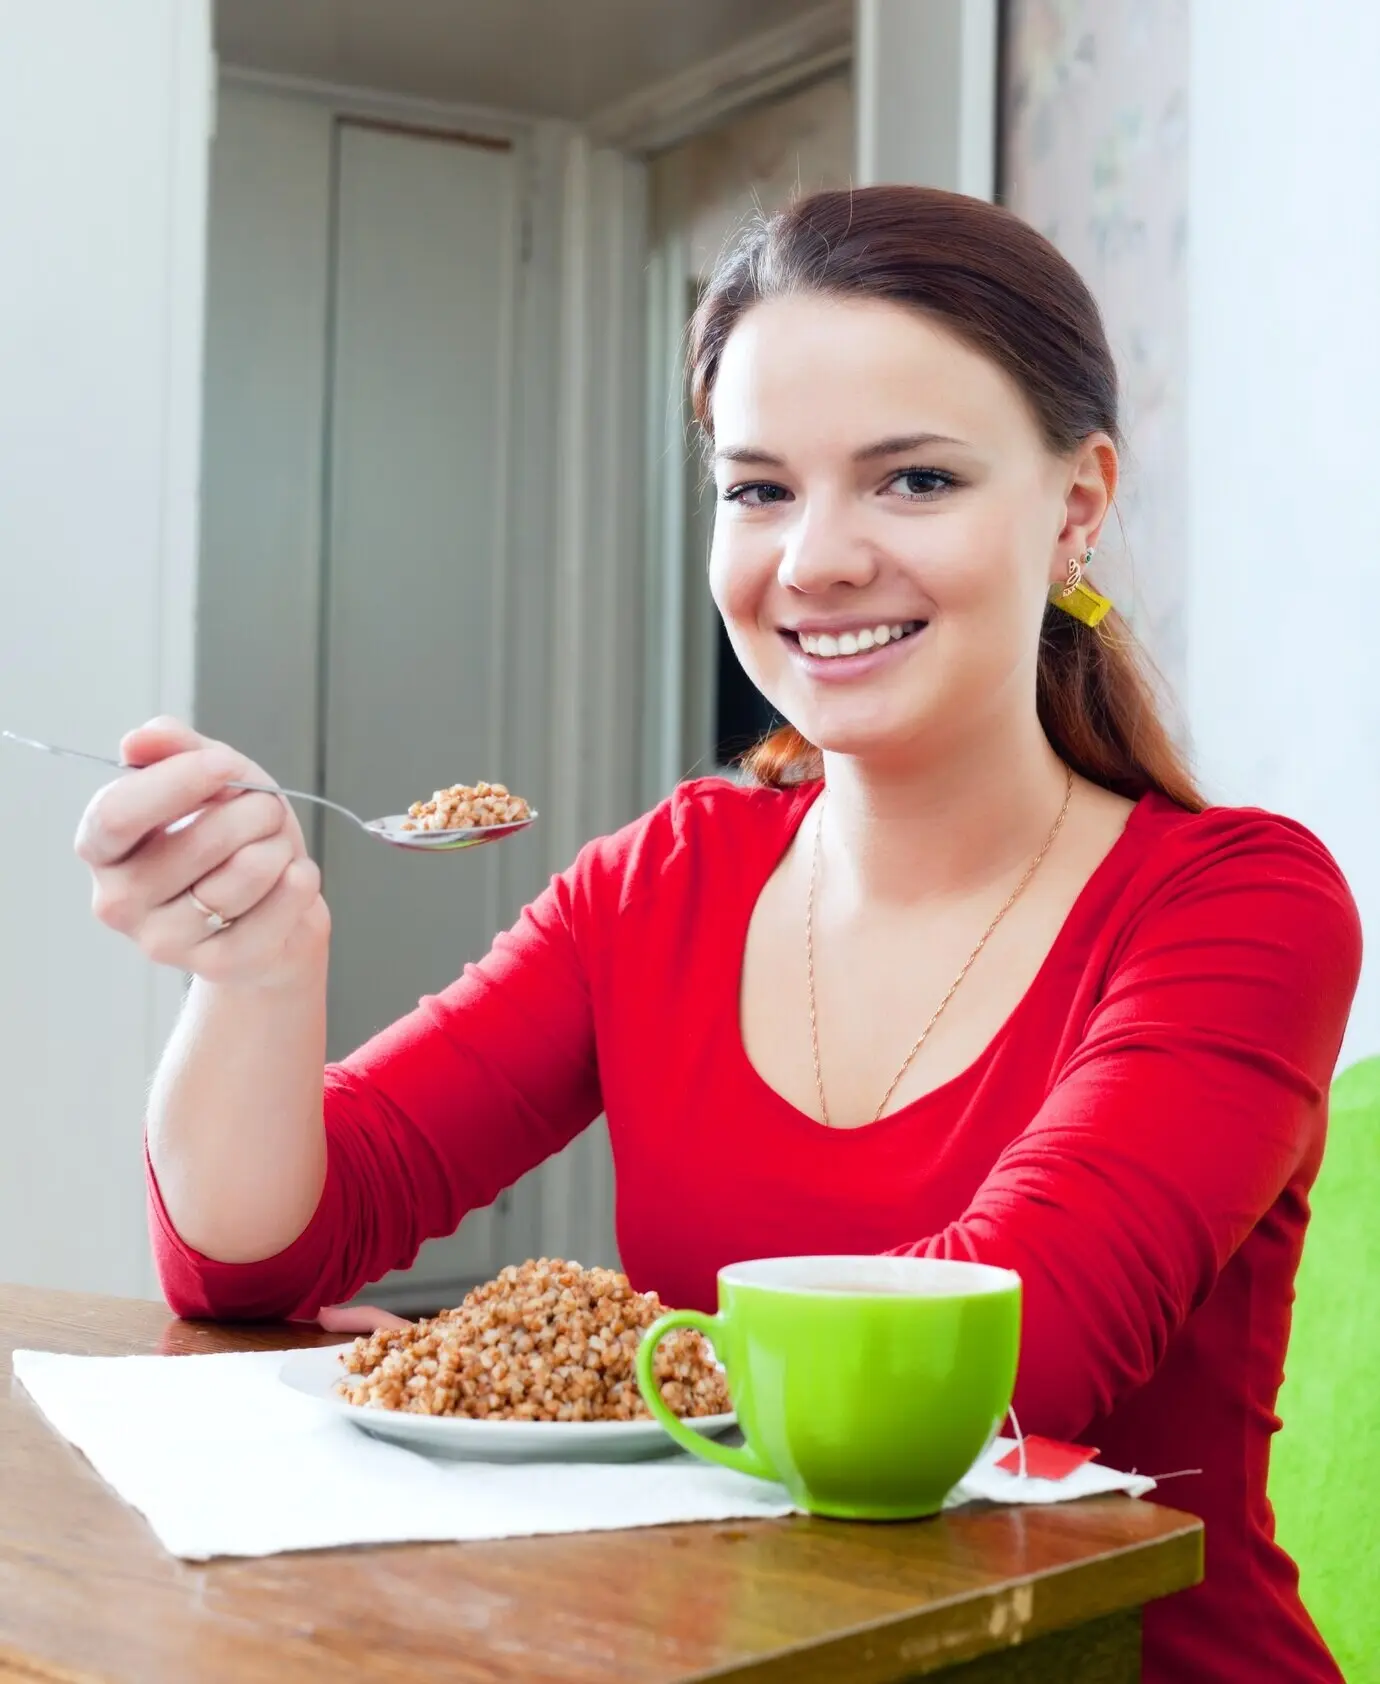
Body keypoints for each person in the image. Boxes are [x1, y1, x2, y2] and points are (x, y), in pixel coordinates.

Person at [75, 187, 1358, 1683]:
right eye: (757, 490)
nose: (813, 560)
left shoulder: (1240, 904)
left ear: (1075, 506)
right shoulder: (662, 882)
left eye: (915, 480)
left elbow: (1000, 1368)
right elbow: (252, 1259)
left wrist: (529, 1370)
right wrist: (255, 970)